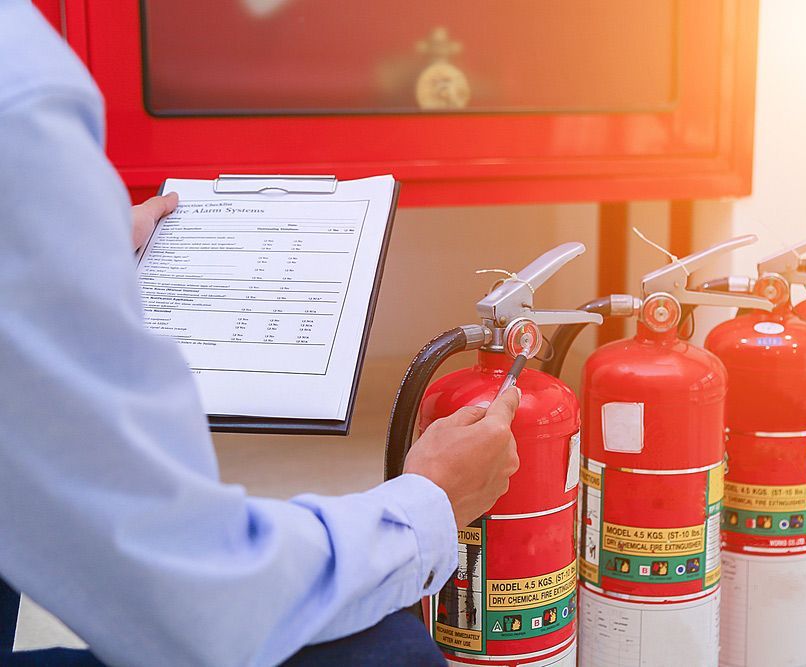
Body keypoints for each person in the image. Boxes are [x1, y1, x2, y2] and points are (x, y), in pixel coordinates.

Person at [0, 2, 520, 665]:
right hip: (190, 607)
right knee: (386, 651)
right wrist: (427, 504)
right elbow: (196, 602)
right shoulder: (20, 87)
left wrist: (63, 252)